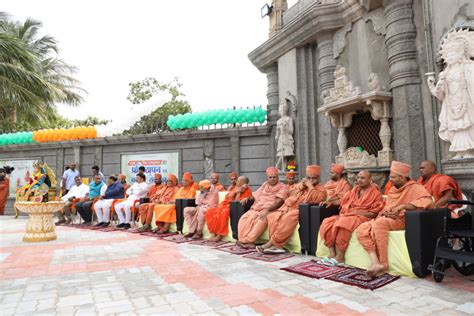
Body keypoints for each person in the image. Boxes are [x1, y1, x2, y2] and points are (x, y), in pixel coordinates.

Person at [356, 161, 434, 277]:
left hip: (405, 220)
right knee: (362, 228)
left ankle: (383, 264)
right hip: (390, 219)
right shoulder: (393, 189)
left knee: (380, 223)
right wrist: (387, 213)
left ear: (402, 177)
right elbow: (388, 208)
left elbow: (428, 202)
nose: (390, 180)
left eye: (393, 177)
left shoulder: (416, 188)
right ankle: (375, 262)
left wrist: (403, 206)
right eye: (390, 177)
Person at [258, 165, 327, 254]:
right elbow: (290, 193)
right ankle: (277, 246)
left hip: (302, 210)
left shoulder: (321, 189)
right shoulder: (302, 185)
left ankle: (272, 243)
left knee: (289, 217)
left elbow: (316, 199)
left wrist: (310, 186)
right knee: (273, 216)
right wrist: (301, 187)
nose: (311, 180)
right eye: (308, 178)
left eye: (313, 178)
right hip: (289, 207)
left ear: (318, 178)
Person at [319, 171, 384, 264]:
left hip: (363, 217)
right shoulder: (354, 190)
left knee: (343, 223)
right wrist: (331, 202)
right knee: (327, 221)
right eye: (358, 178)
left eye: (362, 178)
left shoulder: (375, 193)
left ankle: (340, 256)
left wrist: (358, 212)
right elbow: (342, 200)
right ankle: (332, 253)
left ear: (370, 180)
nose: (359, 180)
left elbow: (374, 213)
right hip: (348, 215)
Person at [237, 167, 288, 249]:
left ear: (278, 177)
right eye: (270, 177)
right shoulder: (265, 185)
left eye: (274, 177)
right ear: (267, 178)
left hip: (271, 209)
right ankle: (242, 239)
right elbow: (256, 194)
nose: (272, 179)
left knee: (262, 219)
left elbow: (279, 202)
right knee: (245, 217)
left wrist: (266, 210)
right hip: (257, 208)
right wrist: (247, 198)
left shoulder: (283, 187)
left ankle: (248, 241)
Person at [206, 176, 252, 242]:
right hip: (227, 204)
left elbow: (237, 202)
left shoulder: (248, 190)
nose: (237, 182)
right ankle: (214, 233)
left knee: (223, 212)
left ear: (244, 183)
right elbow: (227, 197)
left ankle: (220, 235)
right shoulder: (236, 187)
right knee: (210, 211)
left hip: (234, 208)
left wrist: (239, 192)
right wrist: (236, 191)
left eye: (239, 180)